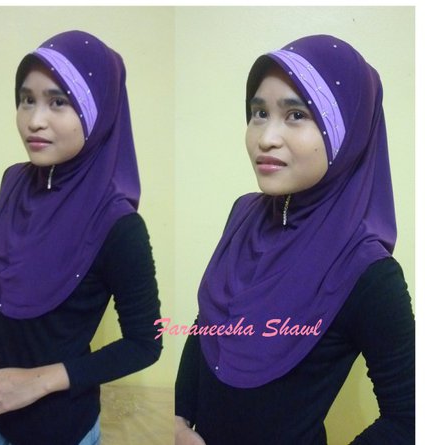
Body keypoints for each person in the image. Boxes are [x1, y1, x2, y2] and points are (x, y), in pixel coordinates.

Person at [174, 34, 415, 444]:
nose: (266, 137)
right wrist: (180, 422)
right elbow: (208, 325)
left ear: (347, 133)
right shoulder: (242, 216)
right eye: (259, 113)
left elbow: (409, 418)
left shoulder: (367, 271)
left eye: (296, 114)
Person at [0, 30, 162, 445]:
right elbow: (1, 270)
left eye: (58, 102)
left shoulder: (118, 224)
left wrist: (38, 381)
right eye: (26, 99)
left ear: (97, 111)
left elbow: (146, 343)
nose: (34, 120)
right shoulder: (14, 183)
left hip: (60, 424)